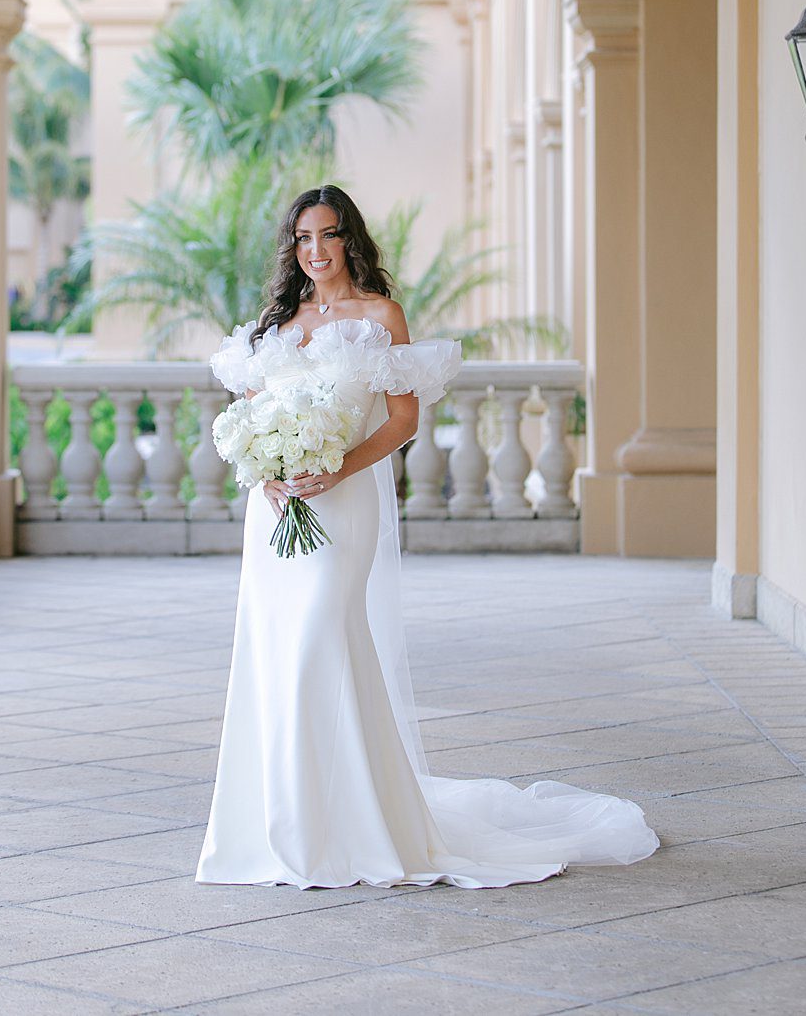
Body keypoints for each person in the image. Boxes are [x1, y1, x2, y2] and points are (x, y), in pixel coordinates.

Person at [195, 184, 657, 889]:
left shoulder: (381, 317)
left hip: (343, 506)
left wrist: (336, 467)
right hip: (278, 513)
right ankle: (282, 822)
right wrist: (268, 475)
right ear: (292, 249)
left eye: (327, 235)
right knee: (275, 652)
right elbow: (252, 415)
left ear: (350, 238)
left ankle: (344, 827)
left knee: (323, 635)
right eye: (302, 239)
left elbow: (404, 420)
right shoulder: (278, 327)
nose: (314, 252)